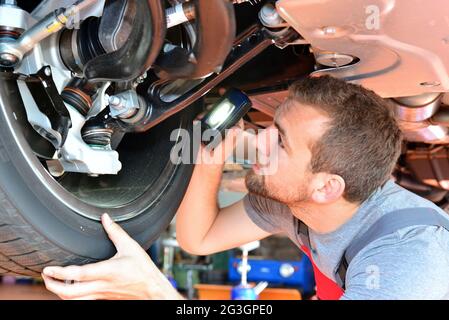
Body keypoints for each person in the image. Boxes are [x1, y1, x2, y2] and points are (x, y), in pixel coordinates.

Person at [42, 76, 449, 300]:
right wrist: (209, 160)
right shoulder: (296, 203)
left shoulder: (409, 264)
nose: (261, 139)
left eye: (281, 141)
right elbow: (199, 238)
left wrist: (153, 292)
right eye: (272, 126)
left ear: (327, 187)